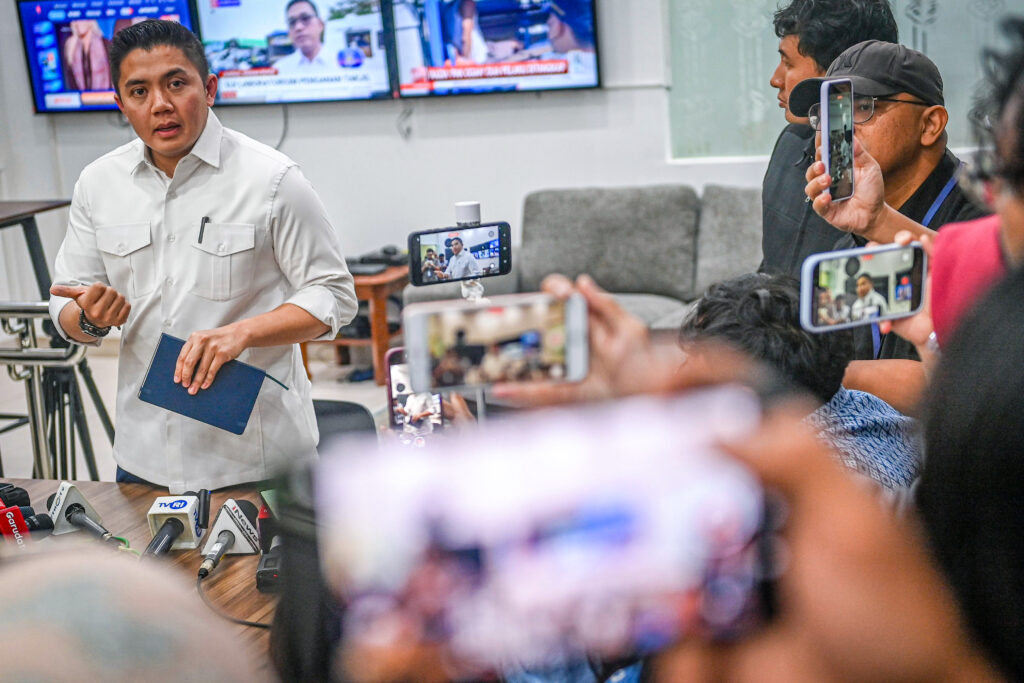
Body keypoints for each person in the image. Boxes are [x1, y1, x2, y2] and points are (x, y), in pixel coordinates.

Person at [47, 20, 357, 493]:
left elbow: (334, 294)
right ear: (120, 104)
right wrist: (90, 318)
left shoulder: (272, 180)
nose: (160, 104)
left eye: (176, 84)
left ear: (209, 88)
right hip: (143, 460)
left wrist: (243, 332)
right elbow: (66, 307)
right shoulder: (98, 184)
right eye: (139, 91)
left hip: (258, 459)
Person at [679, 273, 919, 491]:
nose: (680, 372)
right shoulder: (863, 406)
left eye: (693, 363)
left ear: (744, 392)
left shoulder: (805, 489)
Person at [761, 0, 898, 278]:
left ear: (837, 74)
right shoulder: (790, 141)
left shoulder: (891, 177)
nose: (775, 79)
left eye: (788, 63)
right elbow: (770, 266)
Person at [274, 0, 334, 73]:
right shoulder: (280, 70)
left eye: (305, 18)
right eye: (292, 22)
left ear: (320, 25)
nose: (298, 27)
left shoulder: (340, 63)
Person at [63, 20, 112, 91]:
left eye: (82, 19)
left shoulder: (106, 45)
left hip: (105, 96)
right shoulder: (71, 48)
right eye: (76, 20)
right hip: (79, 97)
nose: (79, 23)